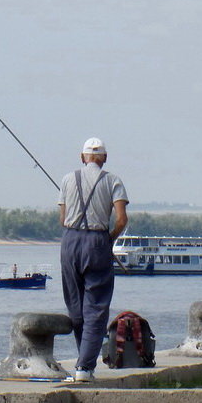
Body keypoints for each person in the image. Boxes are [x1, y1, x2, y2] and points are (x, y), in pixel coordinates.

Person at [58, 137, 129, 382]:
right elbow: (121, 220)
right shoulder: (113, 181)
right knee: (96, 307)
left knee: (75, 307)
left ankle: (82, 363)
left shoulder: (68, 179)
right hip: (97, 241)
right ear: (105, 159)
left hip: (69, 242)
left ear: (82, 157)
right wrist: (108, 240)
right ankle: (85, 368)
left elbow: (62, 218)